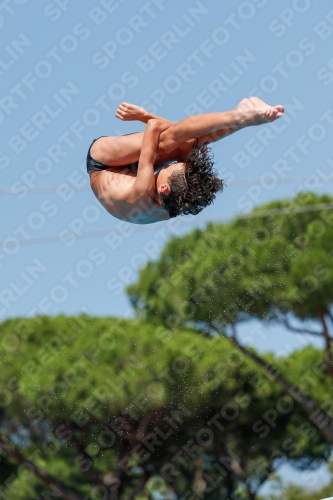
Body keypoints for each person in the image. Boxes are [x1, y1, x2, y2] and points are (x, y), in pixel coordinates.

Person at [87, 97, 284, 224]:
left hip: (103, 164)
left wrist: (143, 115)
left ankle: (239, 117)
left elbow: (155, 128)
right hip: (132, 174)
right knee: (187, 146)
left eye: (170, 167)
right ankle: (242, 115)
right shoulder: (176, 204)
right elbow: (184, 140)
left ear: (164, 188)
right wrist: (190, 141)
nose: (169, 164)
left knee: (169, 144)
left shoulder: (143, 192)